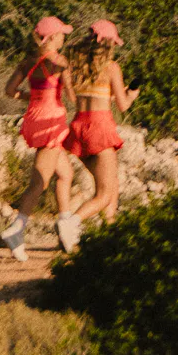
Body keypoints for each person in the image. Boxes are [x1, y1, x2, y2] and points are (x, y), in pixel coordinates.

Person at [0, 16, 76, 263]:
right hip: (51, 122)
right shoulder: (60, 61)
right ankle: (17, 228)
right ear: (52, 37)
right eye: (61, 34)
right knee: (39, 181)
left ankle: (65, 224)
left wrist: (32, 97)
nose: (64, 38)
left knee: (64, 174)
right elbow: (72, 96)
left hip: (33, 118)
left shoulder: (27, 62)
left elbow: (10, 91)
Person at [61, 19, 140, 247]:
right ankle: (71, 222)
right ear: (108, 43)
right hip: (101, 128)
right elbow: (123, 105)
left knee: (110, 184)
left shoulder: (77, 66)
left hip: (78, 126)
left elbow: (84, 98)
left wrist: (113, 96)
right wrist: (131, 95)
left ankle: (110, 233)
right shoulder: (111, 67)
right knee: (104, 193)